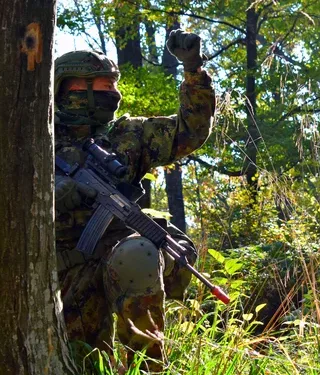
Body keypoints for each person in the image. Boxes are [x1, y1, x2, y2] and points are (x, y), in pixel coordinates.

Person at [53, 29, 215, 369]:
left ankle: (150, 366)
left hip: (119, 254)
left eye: (115, 84)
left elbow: (190, 130)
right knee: (84, 362)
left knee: (137, 253)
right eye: (105, 84)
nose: (115, 93)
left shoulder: (127, 135)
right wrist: (50, 194)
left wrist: (193, 70)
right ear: (73, 88)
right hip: (62, 267)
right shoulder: (36, 139)